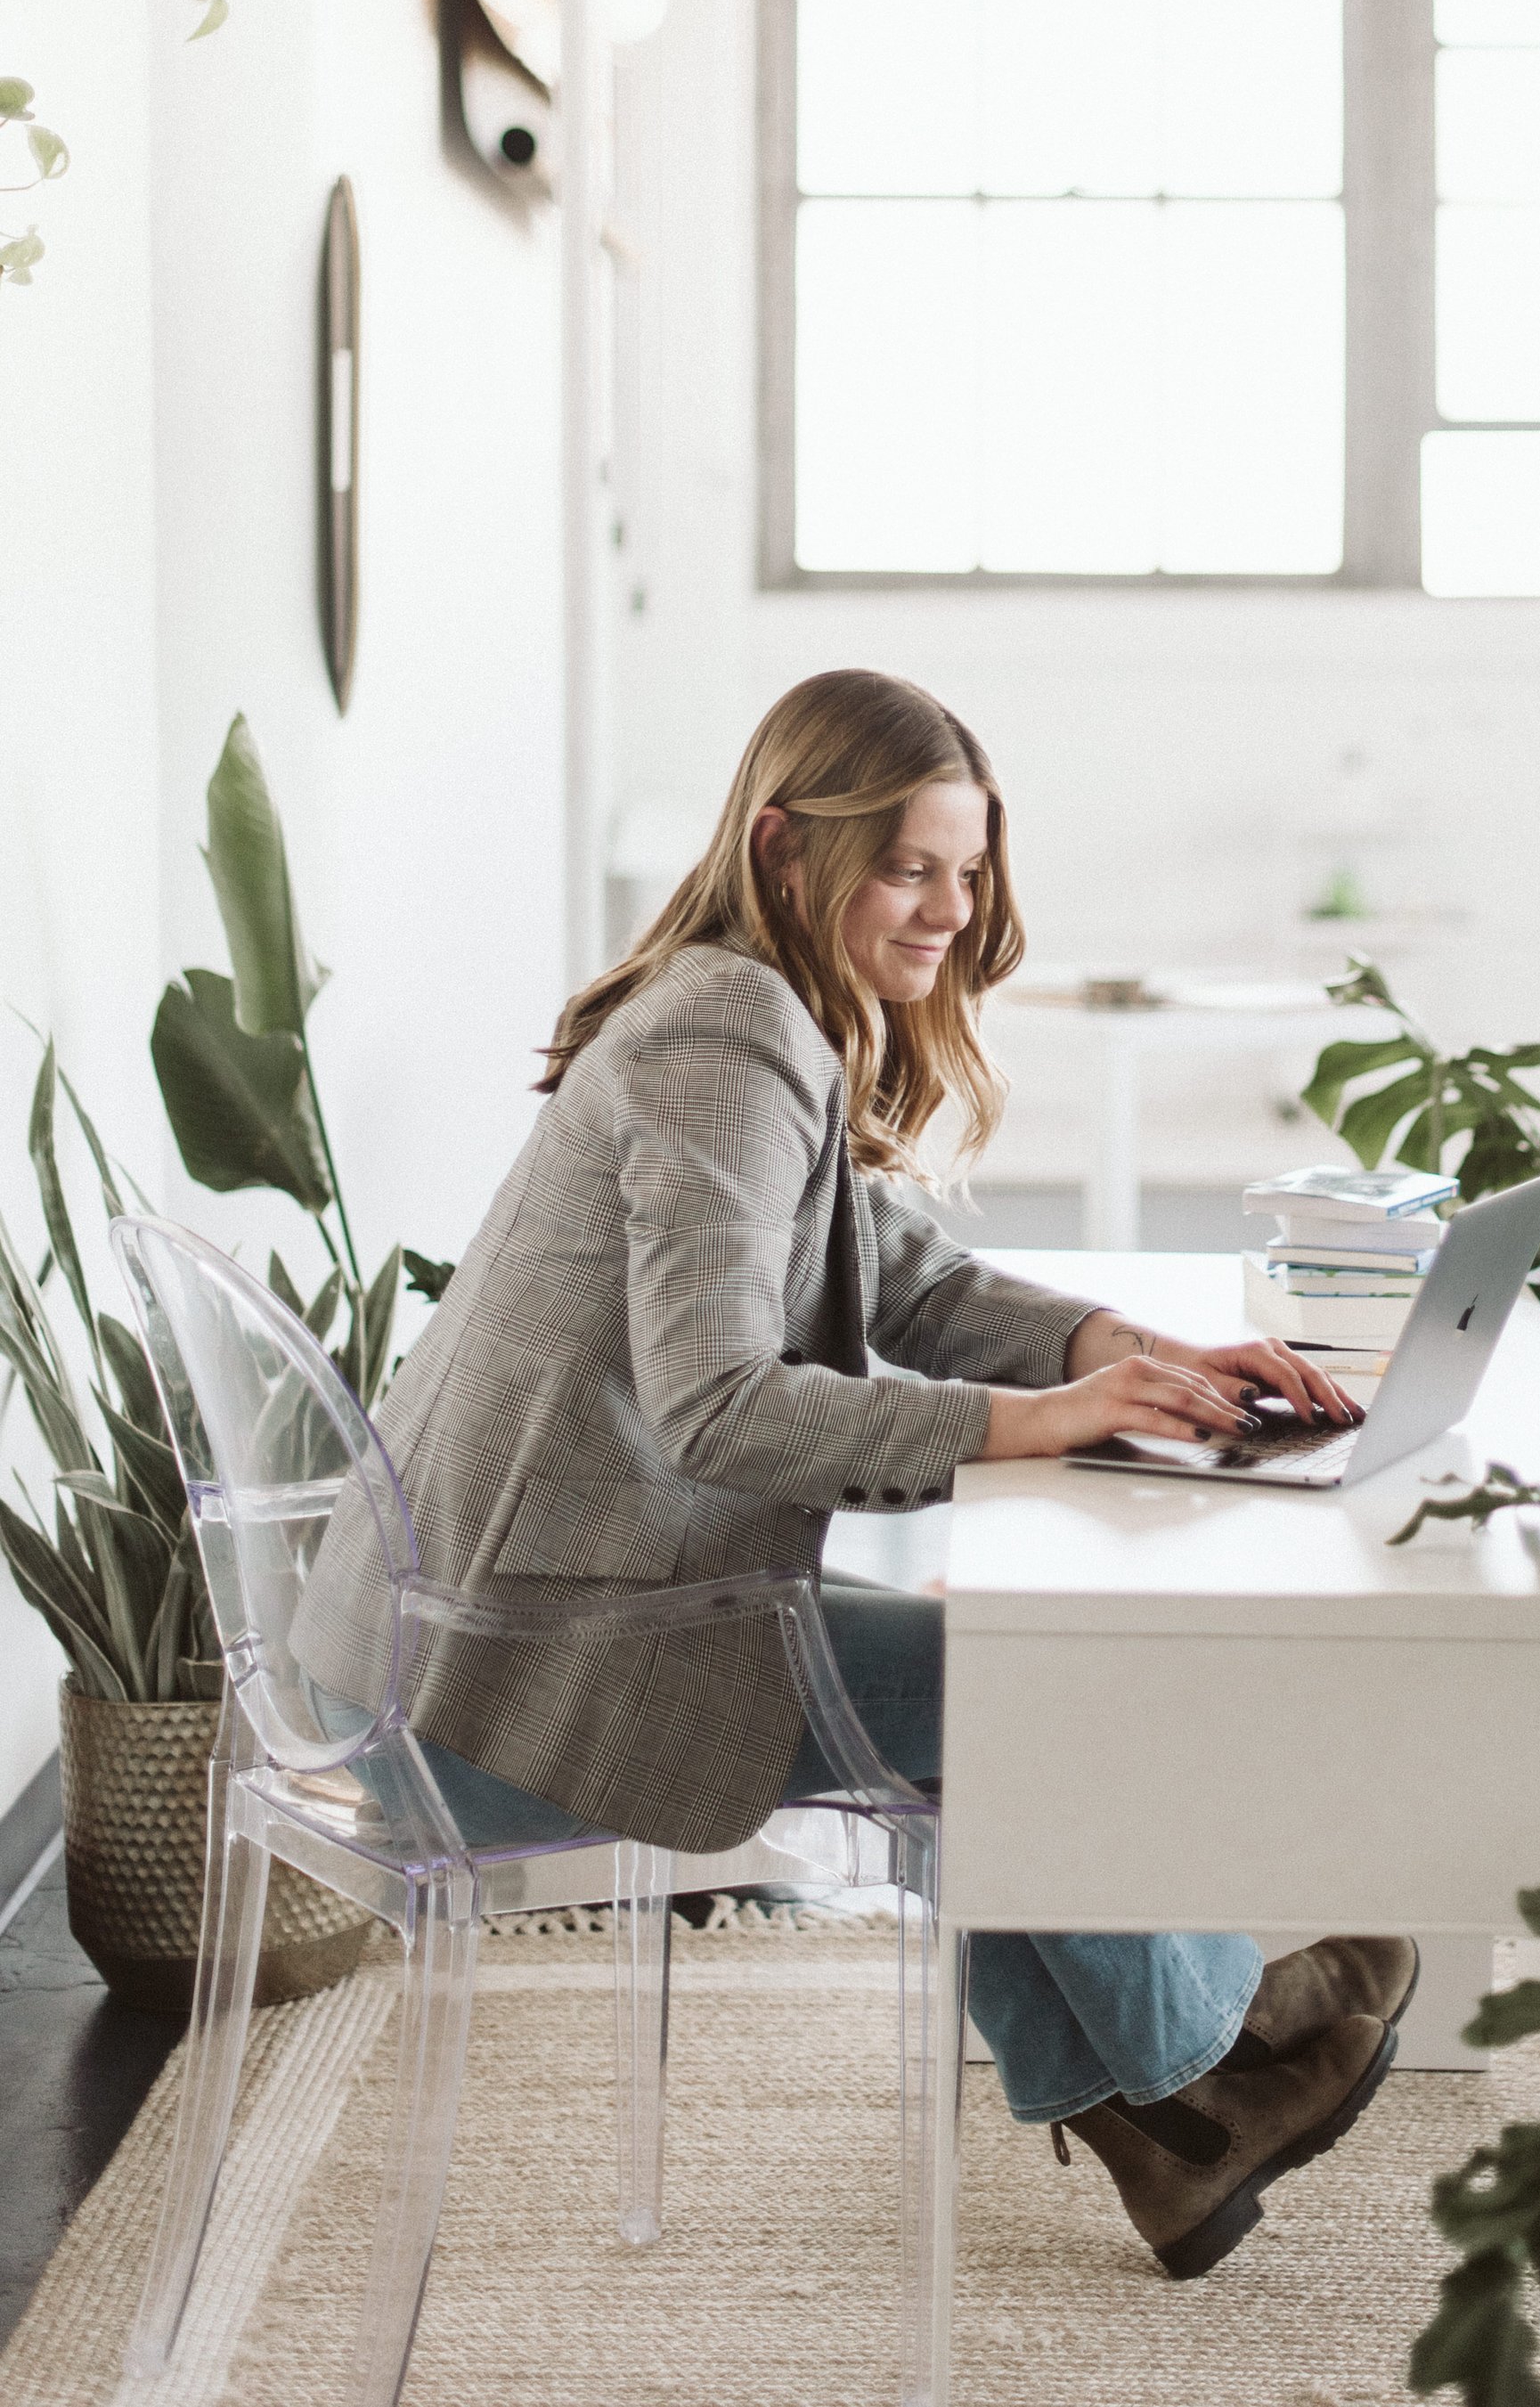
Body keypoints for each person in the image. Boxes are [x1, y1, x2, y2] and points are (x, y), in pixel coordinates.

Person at [297, 667, 1414, 2279]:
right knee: (1014, 1687)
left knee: (984, 1699)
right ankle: (1206, 2053)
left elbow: (888, 1266)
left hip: (458, 1637)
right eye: (913, 868)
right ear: (785, 848)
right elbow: (716, 1407)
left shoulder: (746, 1006)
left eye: (969, 871)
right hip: (492, 1685)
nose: (953, 909)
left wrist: (1126, 1345)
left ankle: (1173, 2116)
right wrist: (1029, 1424)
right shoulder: (723, 1033)